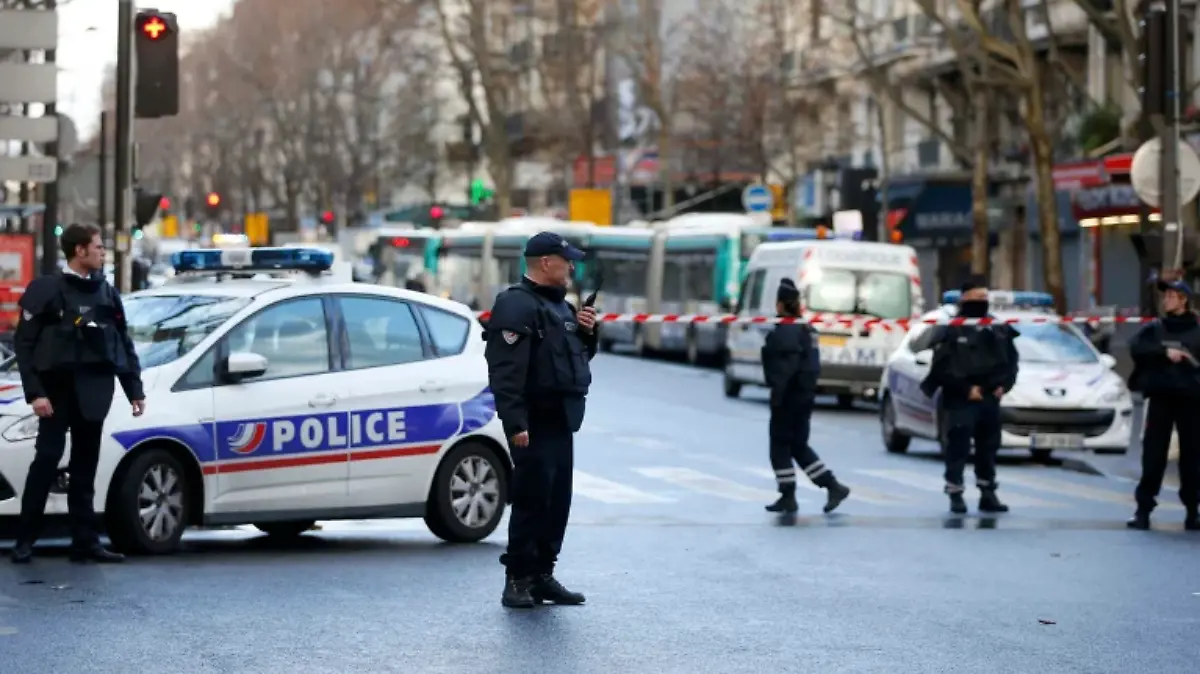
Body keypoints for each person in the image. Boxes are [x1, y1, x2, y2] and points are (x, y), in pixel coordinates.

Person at [9, 224, 146, 564]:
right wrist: (35, 394)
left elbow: (122, 343)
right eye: (98, 247)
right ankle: (25, 539)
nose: (103, 252)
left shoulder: (107, 293)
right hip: (55, 392)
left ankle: (85, 542)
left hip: (94, 389)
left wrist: (134, 390)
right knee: (45, 461)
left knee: (86, 467)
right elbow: (24, 345)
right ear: (79, 251)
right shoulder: (46, 290)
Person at [483, 231, 598, 608]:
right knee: (532, 501)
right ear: (546, 262)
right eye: (566, 261)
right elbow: (506, 371)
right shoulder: (517, 305)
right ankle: (517, 578)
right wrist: (515, 424)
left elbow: (573, 359)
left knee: (556, 501)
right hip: (533, 422)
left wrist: (587, 334)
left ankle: (542, 574)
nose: (571, 267)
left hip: (562, 421)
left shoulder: (561, 308)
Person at [915, 275, 1019, 515]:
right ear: (964, 299)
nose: (982, 301)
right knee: (958, 448)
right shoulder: (951, 328)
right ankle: (955, 494)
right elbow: (941, 367)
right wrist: (965, 389)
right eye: (977, 297)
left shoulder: (997, 327)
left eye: (985, 297)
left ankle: (988, 493)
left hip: (990, 398)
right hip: (960, 399)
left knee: (988, 448)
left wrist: (1005, 385)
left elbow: (1012, 361)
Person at [762, 279, 851, 515]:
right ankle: (831, 486)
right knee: (798, 446)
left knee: (780, 445)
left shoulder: (787, 330)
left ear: (780, 305)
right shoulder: (805, 328)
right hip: (804, 396)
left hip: (789, 397)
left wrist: (778, 396)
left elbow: (786, 368)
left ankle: (790, 494)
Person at [1125, 277, 1200, 530]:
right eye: (1164, 295)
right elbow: (1135, 347)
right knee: (1154, 456)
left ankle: (1193, 510)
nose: (1165, 299)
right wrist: (1163, 352)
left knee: (1193, 457)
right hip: (1161, 399)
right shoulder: (1155, 329)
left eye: (1171, 295)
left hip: (1191, 401)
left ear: (1184, 300)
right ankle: (1143, 510)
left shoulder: (1197, 330)